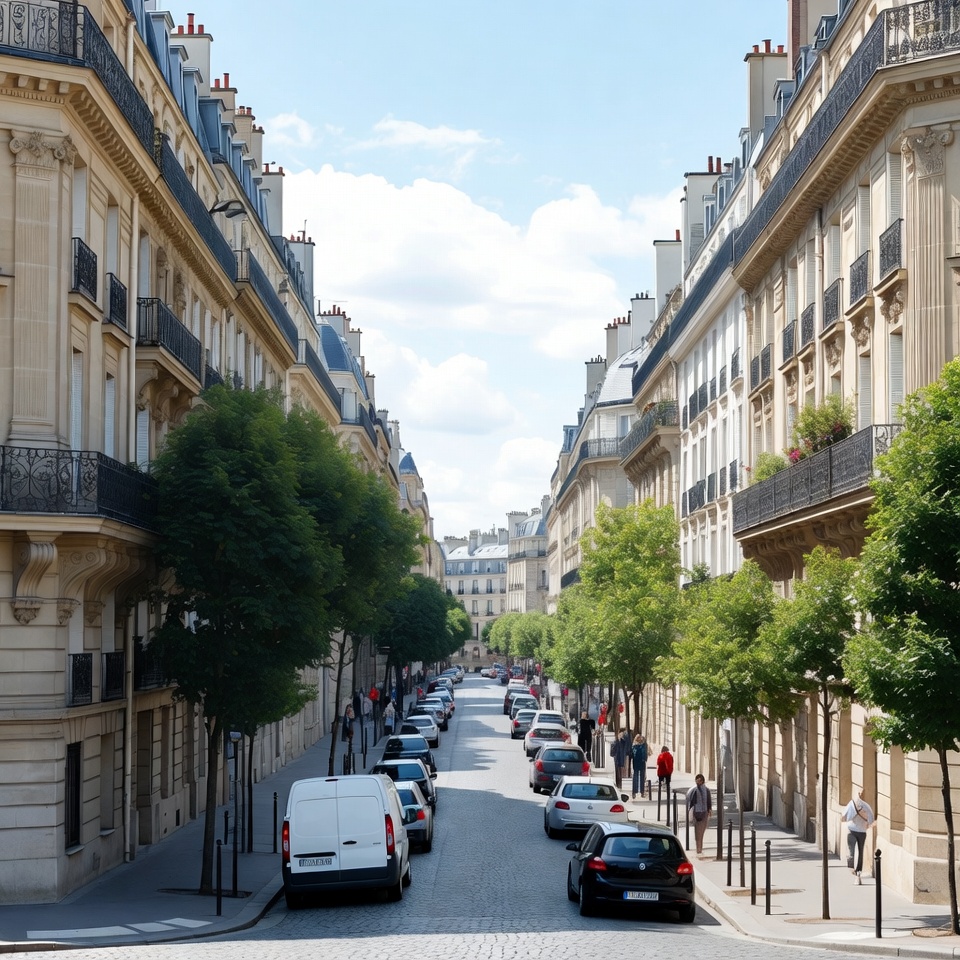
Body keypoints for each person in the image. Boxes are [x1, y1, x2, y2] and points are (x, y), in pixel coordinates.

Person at [841, 789, 875, 883]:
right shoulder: (867, 807)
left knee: (851, 851)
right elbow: (871, 822)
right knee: (860, 853)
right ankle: (858, 874)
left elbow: (843, 817)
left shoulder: (852, 804)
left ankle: (852, 868)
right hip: (862, 832)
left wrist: (852, 815)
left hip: (851, 830)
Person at [687, 773, 712, 856]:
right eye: (696, 780)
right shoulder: (694, 790)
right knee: (698, 831)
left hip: (705, 812)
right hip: (697, 813)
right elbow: (690, 802)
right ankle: (698, 849)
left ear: (702, 781)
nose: (698, 782)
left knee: (702, 831)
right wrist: (690, 812)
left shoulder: (706, 790)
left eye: (699, 780)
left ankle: (700, 847)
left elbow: (708, 800)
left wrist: (709, 810)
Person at [631, 734, 648, 799]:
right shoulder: (643, 746)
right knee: (642, 777)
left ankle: (634, 792)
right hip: (642, 762)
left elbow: (632, 755)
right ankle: (642, 792)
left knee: (635, 777)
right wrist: (645, 759)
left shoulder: (634, 745)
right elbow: (645, 754)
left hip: (635, 763)